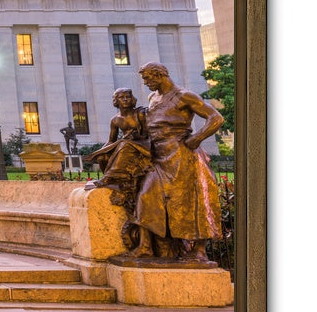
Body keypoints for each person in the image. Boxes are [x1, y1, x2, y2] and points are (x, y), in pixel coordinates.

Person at [133, 61, 225, 262]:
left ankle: (199, 250)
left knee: (193, 201)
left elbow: (216, 118)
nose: (146, 83)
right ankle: (145, 246)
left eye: (148, 78)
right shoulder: (153, 97)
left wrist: (197, 138)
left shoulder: (184, 96)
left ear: (159, 75)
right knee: (146, 195)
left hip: (182, 155)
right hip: (159, 155)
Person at [84, 88, 152, 249]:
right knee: (103, 156)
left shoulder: (140, 114)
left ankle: (109, 177)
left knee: (124, 144)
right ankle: (110, 176)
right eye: (121, 97)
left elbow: (150, 134)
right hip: (127, 145)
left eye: (128, 96)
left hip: (143, 146)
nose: (125, 100)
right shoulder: (116, 120)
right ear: (116, 101)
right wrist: (100, 152)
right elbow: (111, 140)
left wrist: (136, 137)